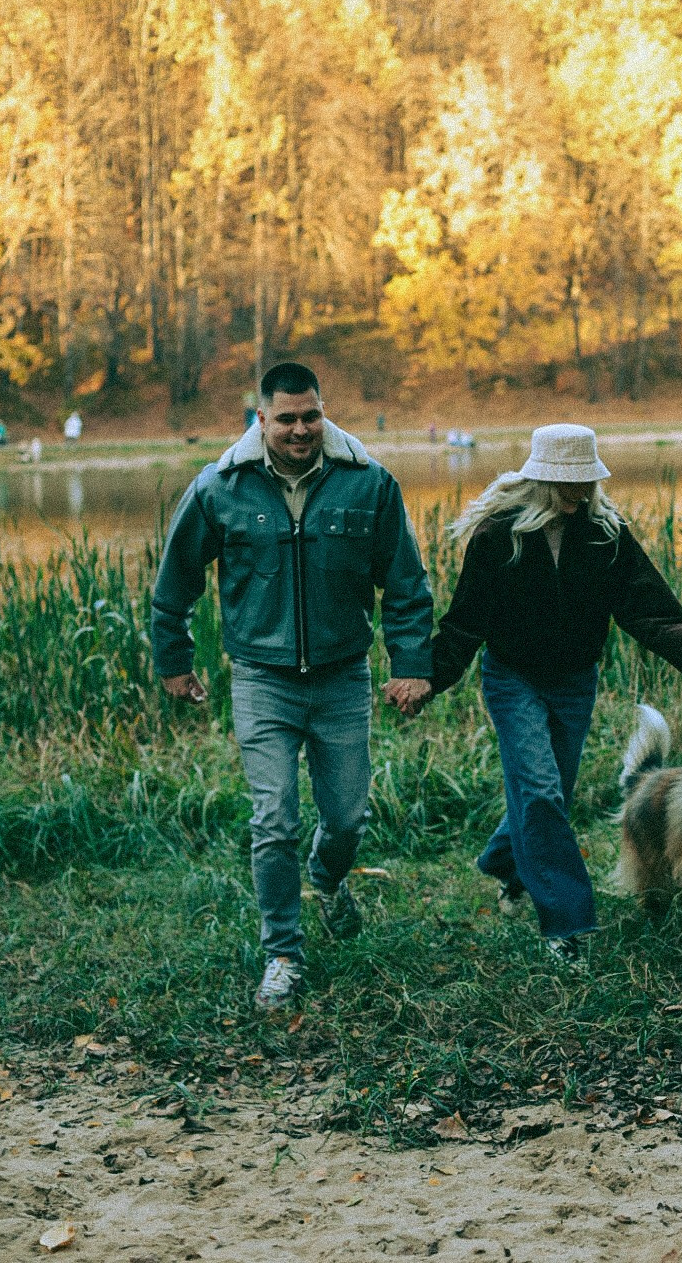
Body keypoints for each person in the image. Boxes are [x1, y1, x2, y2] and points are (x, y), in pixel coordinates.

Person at [386, 424, 682, 965]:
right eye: (568, 482)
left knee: (550, 795)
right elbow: (466, 622)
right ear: (540, 480)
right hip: (512, 679)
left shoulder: (606, 534)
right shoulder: (499, 537)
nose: (579, 492)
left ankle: (506, 861)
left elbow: (646, 604)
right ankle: (567, 927)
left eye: (586, 481)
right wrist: (428, 677)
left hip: (574, 682)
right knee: (541, 792)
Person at [151, 362, 433, 1010]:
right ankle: (282, 954)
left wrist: (411, 664)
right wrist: (174, 660)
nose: (300, 430)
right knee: (273, 820)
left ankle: (327, 880)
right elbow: (175, 582)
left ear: (323, 412)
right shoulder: (220, 486)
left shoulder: (369, 483)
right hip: (261, 680)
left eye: (311, 416)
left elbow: (406, 583)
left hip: (342, 678)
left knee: (347, 819)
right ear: (261, 418)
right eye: (286, 419)